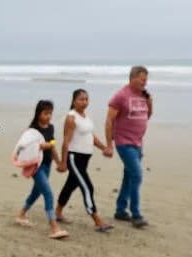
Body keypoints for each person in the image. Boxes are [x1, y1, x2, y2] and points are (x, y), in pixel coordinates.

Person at [54, 89, 113, 232]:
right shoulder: (71, 118)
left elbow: (91, 137)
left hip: (85, 159)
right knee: (88, 187)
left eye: (86, 99)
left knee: (70, 185)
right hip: (74, 158)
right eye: (81, 99)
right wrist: (63, 162)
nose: (84, 102)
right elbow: (66, 142)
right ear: (74, 101)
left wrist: (104, 148)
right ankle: (97, 220)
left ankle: (57, 213)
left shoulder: (86, 117)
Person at [105, 66, 153, 228]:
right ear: (132, 78)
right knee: (137, 175)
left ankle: (120, 210)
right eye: (142, 79)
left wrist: (150, 102)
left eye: (146, 79)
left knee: (129, 176)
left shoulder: (143, 95)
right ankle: (136, 214)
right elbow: (109, 120)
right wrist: (109, 145)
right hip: (124, 142)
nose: (145, 82)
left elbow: (146, 116)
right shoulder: (121, 96)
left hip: (138, 142)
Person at [14, 100, 68, 239]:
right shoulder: (32, 131)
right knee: (48, 194)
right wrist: (39, 146)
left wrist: (60, 162)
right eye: (45, 113)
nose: (48, 116)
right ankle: (54, 227)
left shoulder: (50, 128)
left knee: (36, 192)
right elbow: (24, 147)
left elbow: (52, 146)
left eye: (50, 113)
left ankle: (21, 215)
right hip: (35, 165)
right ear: (38, 113)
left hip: (47, 165)